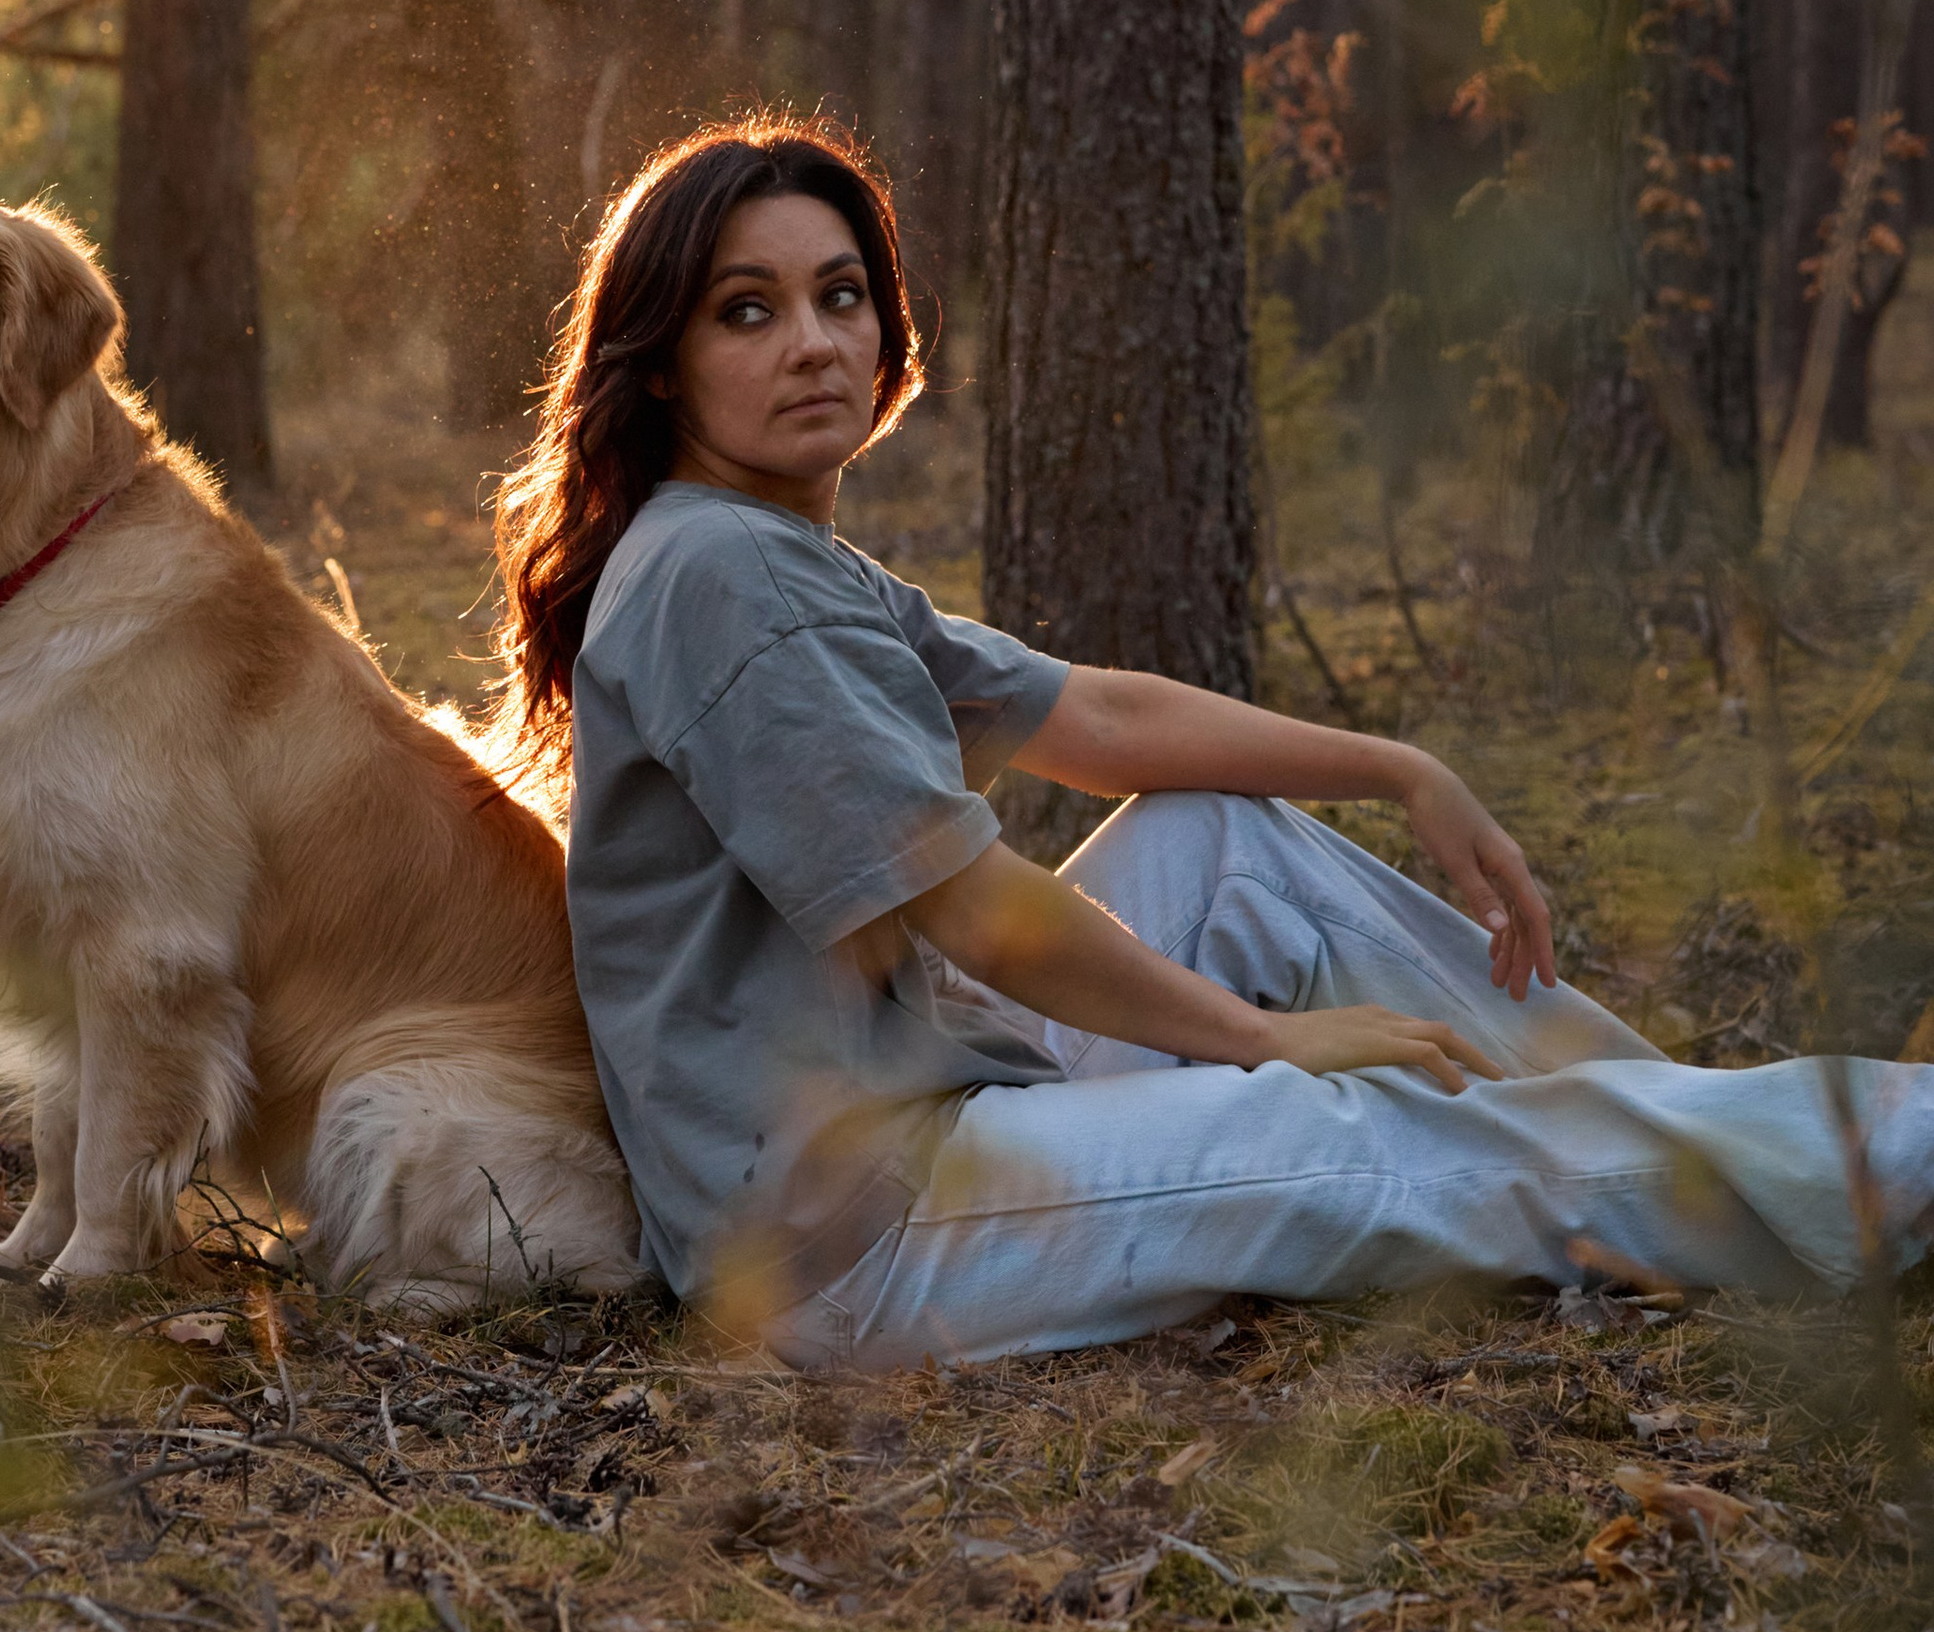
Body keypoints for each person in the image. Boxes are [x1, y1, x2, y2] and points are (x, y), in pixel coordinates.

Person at [491, 118, 1932, 1371]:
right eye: (746, 311)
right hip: (854, 1238)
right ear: (663, 363)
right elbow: (974, 910)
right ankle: (1883, 1163)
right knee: (1370, 1140)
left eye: (841, 295)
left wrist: (1400, 767)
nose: (812, 341)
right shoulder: (718, 579)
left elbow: (1101, 720)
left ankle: (1691, 1131)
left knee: (1221, 841)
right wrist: (1266, 1043)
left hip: (933, 1112)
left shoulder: (774, 554)